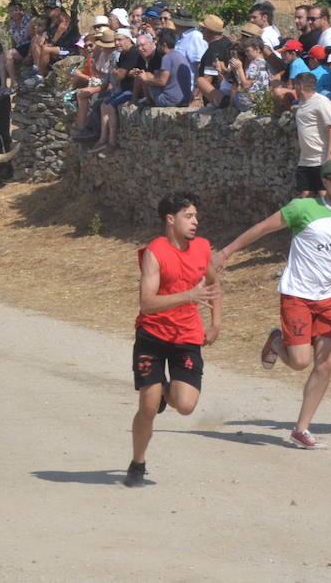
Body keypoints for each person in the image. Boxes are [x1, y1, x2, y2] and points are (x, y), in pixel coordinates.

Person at [217, 158, 331, 449]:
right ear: (324, 183)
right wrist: (226, 252)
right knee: (300, 362)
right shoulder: (302, 208)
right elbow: (262, 228)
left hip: (329, 299)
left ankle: (301, 428)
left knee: (326, 364)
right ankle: (276, 341)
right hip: (297, 294)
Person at [124, 191, 222, 488]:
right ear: (171, 219)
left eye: (196, 216)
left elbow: (216, 285)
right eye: (189, 216)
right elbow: (147, 303)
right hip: (152, 335)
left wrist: (216, 323)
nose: (196, 222)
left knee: (186, 405)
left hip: (187, 337)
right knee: (149, 407)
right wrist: (189, 295)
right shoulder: (155, 252)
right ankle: (137, 463)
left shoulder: (203, 248)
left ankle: (166, 390)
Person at [292, 72, 331, 197]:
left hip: (321, 157)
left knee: (324, 194)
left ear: (300, 86)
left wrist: (329, 155)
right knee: (305, 194)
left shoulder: (321, 102)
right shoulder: (301, 103)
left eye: (294, 86)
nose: (293, 89)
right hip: (306, 159)